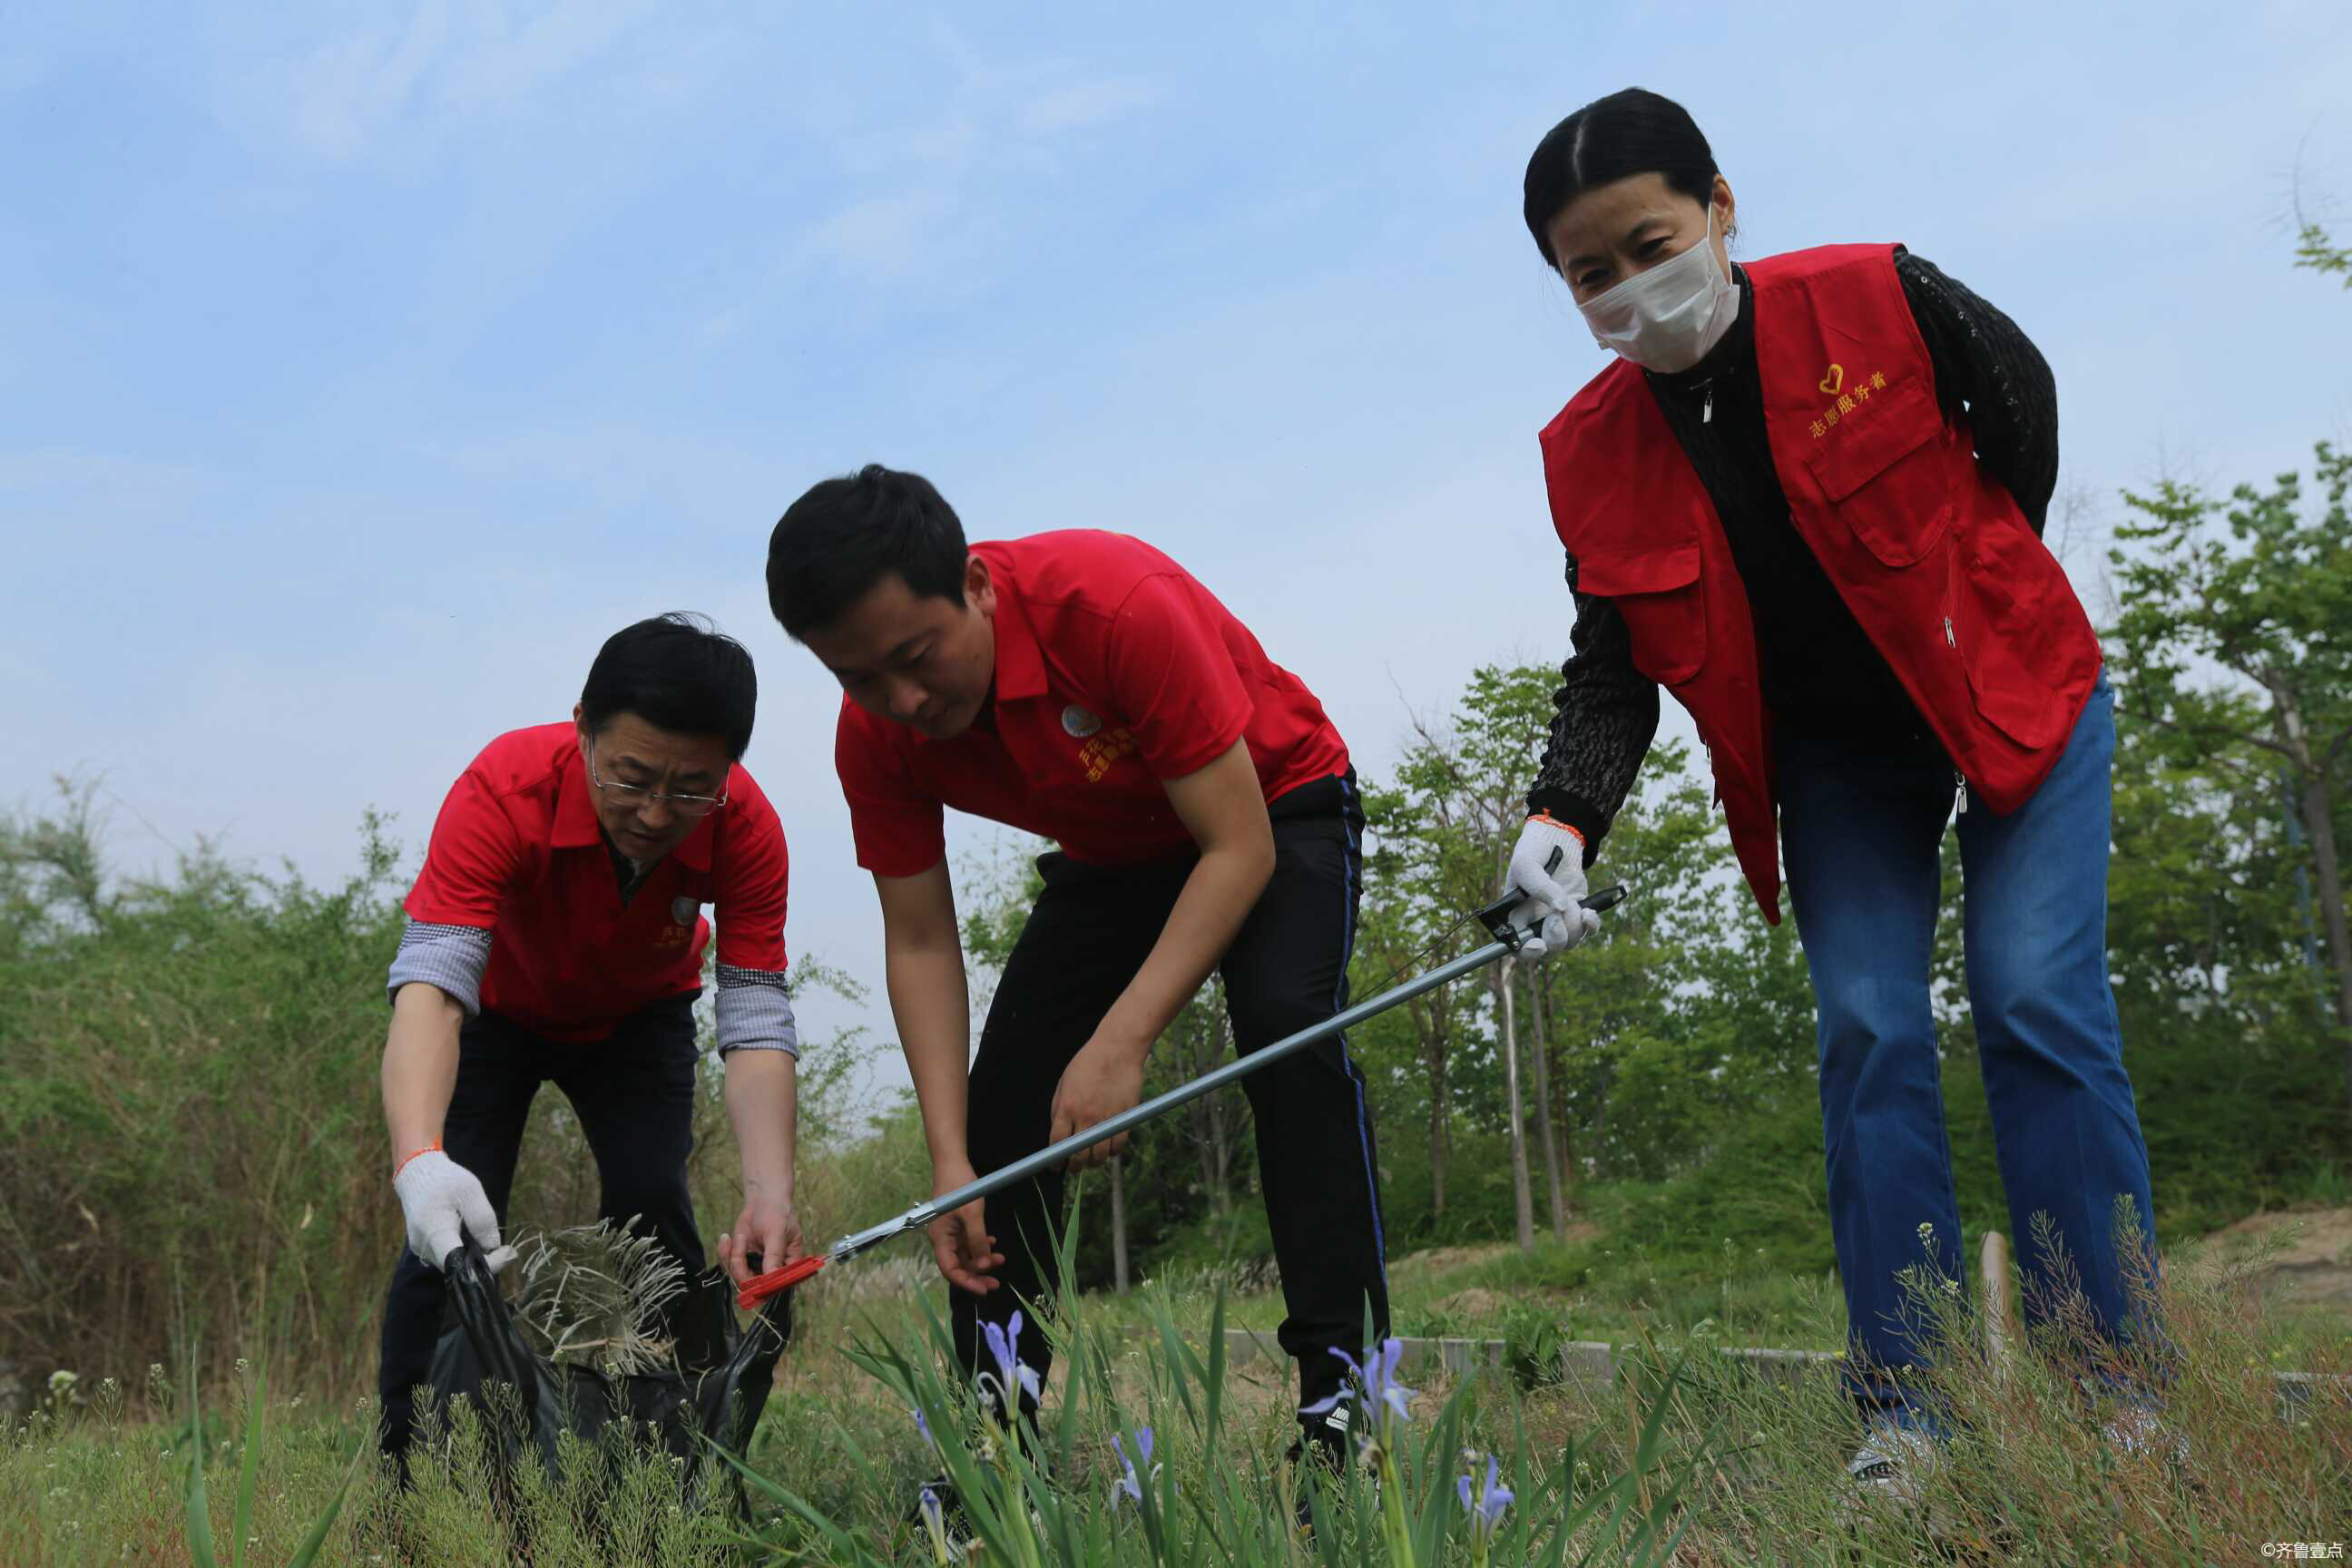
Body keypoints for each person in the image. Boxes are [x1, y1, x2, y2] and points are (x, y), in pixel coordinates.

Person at [1503, 88, 2161, 1494]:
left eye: (1650, 240)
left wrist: (1974, 582)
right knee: (1870, 1032)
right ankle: (1910, 1414)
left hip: (2010, 689)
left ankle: (2115, 1388)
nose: (1631, 285)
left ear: (1722, 208)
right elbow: (1612, 662)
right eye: (1591, 273)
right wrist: (1561, 820)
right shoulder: (1588, 457)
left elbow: (2022, 402)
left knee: (2032, 997)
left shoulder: (1880, 297)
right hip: (1838, 762)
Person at [764, 466, 1388, 1494]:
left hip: (1272, 807)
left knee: (1287, 1033)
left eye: (916, 660)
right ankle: (996, 1438)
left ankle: (1343, 1408)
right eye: (861, 679)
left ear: (973, 584)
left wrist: (1121, 1043)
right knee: (1002, 1115)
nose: (904, 701)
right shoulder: (877, 734)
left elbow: (1236, 850)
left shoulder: (1111, 607)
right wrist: (949, 1160)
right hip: (1114, 858)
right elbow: (919, 940)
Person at [376, 612, 804, 1467]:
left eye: (691, 788)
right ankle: (405, 1466)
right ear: (583, 730)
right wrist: (418, 1161)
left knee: (652, 1204)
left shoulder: (747, 827)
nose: (654, 812)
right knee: (449, 1231)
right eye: (631, 776)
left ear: (729, 770)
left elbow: (754, 1017)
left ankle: (671, 1455)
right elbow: (434, 983)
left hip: (637, 1020)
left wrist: (770, 1189)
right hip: (494, 1013)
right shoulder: (503, 787)